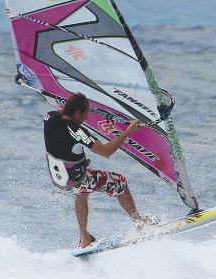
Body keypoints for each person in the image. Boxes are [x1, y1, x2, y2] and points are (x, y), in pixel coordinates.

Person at [43, 93, 148, 247]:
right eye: (85, 114)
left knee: (82, 191)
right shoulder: (77, 132)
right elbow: (106, 151)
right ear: (77, 113)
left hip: (57, 176)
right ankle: (140, 222)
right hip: (76, 178)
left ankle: (85, 237)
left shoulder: (49, 117)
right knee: (120, 182)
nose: (86, 118)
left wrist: (99, 112)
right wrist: (128, 131)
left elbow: (62, 112)